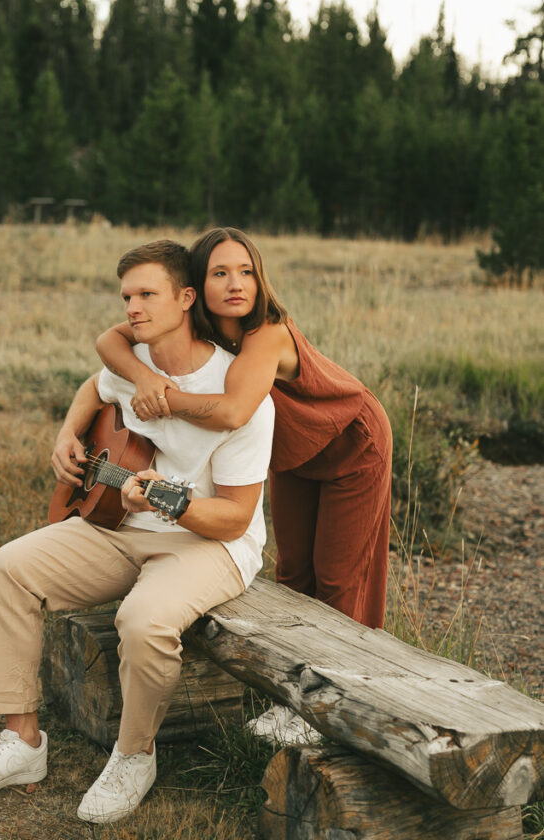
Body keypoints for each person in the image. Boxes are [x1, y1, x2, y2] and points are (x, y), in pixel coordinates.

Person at [0, 240, 274, 823]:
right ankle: (22, 744)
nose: (133, 308)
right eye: (127, 296)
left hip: (209, 543)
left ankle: (133, 756)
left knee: (142, 620)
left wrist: (170, 503)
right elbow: (95, 390)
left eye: (147, 295)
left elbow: (235, 518)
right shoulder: (132, 365)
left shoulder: (241, 396)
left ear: (185, 298)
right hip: (119, 526)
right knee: (4, 570)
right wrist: (67, 436)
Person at [96, 227, 392, 746]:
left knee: (339, 577)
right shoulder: (205, 333)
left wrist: (163, 396)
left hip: (350, 443)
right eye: (219, 273)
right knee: (295, 573)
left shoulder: (265, 333)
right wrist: (144, 380)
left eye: (247, 271)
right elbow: (108, 340)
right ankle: (292, 693)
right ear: (193, 289)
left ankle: (332, 708)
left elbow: (234, 411)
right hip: (295, 451)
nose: (237, 284)